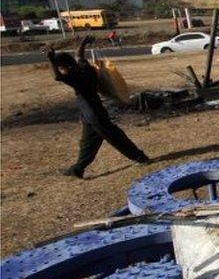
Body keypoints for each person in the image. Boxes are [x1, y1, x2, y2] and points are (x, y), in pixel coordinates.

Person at [46, 35, 149, 178]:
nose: (61, 70)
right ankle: (77, 169)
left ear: (66, 66)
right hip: (91, 113)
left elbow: (57, 76)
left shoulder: (75, 76)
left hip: (93, 114)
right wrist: (84, 42)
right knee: (88, 143)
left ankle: (139, 157)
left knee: (115, 136)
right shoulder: (84, 68)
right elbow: (79, 55)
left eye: (61, 68)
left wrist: (50, 59)